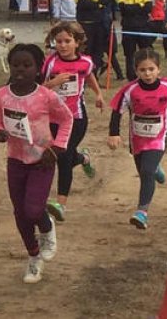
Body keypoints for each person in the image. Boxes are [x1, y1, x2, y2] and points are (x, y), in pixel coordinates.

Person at [0, 43, 73, 284]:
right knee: (20, 213)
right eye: (16, 64)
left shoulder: (46, 97)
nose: (20, 70)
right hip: (15, 160)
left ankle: (47, 229)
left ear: (38, 69)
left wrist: (57, 147)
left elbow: (67, 119)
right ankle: (34, 257)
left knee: (34, 210)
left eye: (27, 65)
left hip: (42, 160)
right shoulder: (2, 95)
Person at [107, 48, 167, 229]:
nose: (148, 73)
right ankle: (156, 168)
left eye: (151, 69)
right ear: (136, 71)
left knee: (146, 172)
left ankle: (142, 212)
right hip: (137, 137)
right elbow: (117, 112)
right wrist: (114, 133)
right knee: (145, 170)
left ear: (158, 69)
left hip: (159, 134)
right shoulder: (130, 90)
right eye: (143, 70)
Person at [41, 22, 103, 223]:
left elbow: (89, 75)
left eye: (67, 41)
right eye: (58, 41)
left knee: (64, 156)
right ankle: (83, 158)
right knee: (62, 155)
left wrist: (98, 94)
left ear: (77, 43)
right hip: (53, 118)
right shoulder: (50, 63)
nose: (62, 45)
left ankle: (60, 204)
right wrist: (54, 83)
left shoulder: (85, 62)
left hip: (76, 117)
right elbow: (40, 87)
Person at [76, 0, 118, 78]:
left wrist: (96, 1)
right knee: (87, 51)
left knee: (98, 52)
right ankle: (84, 75)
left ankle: (94, 76)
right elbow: (83, 2)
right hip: (86, 24)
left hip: (99, 23)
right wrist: (99, 1)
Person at [116, 0, 154, 81]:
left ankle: (148, 74)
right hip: (128, 28)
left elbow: (148, 8)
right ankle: (131, 78)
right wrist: (139, 6)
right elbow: (124, 10)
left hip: (143, 28)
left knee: (146, 53)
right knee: (129, 55)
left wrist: (133, 7)